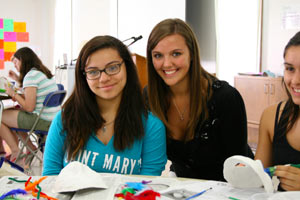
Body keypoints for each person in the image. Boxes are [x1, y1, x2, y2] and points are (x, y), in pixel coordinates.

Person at [145, 18, 253, 181]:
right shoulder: (150, 97)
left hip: (230, 188)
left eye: (176, 54)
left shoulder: (225, 97)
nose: (167, 63)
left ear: (192, 54)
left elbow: (238, 167)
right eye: (158, 55)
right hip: (184, 188)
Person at [42, 35, 167, 176]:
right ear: (84, 76)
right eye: (93, 72)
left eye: (113, 67)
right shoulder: (65, 119)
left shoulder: (151, 126)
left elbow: (147, 186)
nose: (104, 78)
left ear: (127, 67)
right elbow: (50, 178)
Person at [255, 31, 300, 191]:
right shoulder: (271, 116)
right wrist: (247, 174)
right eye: (290, 69)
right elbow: (259, 182)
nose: (295, 81)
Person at [0, 47, 60, 164]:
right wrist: (17, 80)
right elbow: (32, 95)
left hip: (41, 120)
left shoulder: (31, 76)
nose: (15, 66)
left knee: (1, 115)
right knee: (12, 111)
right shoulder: (41, 72)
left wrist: (13, 93)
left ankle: (15, 150)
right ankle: (30, 147)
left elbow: (29, 107)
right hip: (52, 118)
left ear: (23, 60)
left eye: (16, 62)